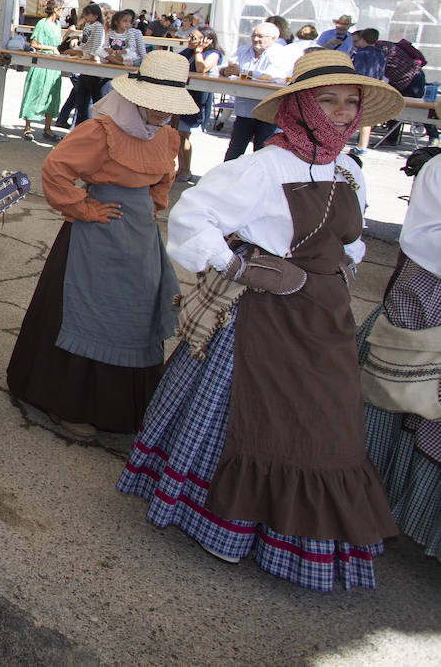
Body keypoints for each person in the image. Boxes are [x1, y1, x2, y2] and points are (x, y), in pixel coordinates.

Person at [118, 50, 403, 590]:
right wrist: (237, 265)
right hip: (263, 318)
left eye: (350, 102)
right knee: (255, 412)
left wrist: (344, 265)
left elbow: (354, 236)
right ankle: (223, 524)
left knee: (323, 423)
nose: (341, 112)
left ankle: (295, 539)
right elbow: (191, 216)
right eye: (327, 100)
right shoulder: (263, 166)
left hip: (324, 319)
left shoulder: (348, 168)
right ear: (300, 104)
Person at [7, 52, 194, 437]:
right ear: (138, 96)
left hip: (140, 238)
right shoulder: (101, 131)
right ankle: (68, 403)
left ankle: (123, 405)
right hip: (95, 236)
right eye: (156, 104)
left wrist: (149, 206)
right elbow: (55, 170)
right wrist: (85, 208)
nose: (162, 114)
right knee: (87, 309)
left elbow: (165, 177)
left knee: (134, 314)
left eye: (168, 107)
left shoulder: (168, 137)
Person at [362, 152, 441, 565]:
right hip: (429, 294)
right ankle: (371, 504)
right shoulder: (438, 170)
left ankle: (412, 512)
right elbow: (422, 238)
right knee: (396, 395)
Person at [220, 23, 292, 159]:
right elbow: (226, 66)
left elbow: (275, 76)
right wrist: (225, 71)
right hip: (244, 110)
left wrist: (244, 71)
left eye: (260, 36)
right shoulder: (243, 50)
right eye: (253, 35)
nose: (255, 39)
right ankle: (227, 178)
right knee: (234, 151)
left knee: (262, 153)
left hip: (267, 112)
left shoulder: (280, 53)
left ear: (274, 38)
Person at [175, 27, 225, 181]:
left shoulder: (213, 54)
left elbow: (202, 68)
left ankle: (185, 169)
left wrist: (199, 51)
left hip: (196, 98)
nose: (190, 40)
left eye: (194, 38)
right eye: (190, 36)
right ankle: (181, 168)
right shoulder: (187, 52)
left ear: (207, 40)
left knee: (184, 134)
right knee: (177, 134)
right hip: (182, 95)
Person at [18, 0, 64, 141]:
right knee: (35, 92)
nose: (63, 11)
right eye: (62, 8)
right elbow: (35, 43)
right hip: (41, 63)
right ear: (56, 9)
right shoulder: (42, 24)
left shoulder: (57, 24)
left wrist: (68, 36)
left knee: (52, 96)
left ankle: (48, 128)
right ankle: (27, 127)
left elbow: (58, 42)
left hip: (54, 66)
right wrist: (51, 48)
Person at [55, 3, 106, 129]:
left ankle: (92, 126)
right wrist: (78, 51)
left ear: (95, 15)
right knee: (81, 99)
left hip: (92, 64)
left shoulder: (98, 27)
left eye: (87, 14)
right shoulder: (88, 26)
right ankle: (81, 126)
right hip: (85, 62)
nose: (86, 17)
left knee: (93, 99)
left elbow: (95, 47)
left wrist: (79, 52)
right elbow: (85, 44)